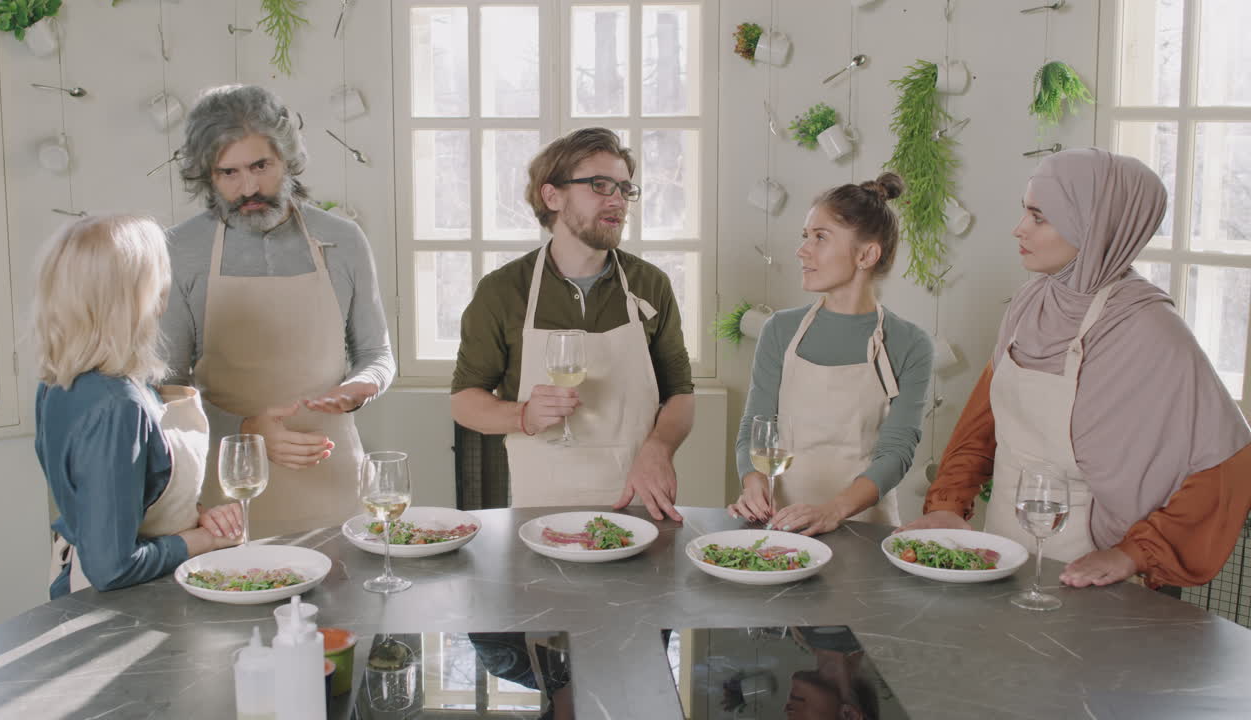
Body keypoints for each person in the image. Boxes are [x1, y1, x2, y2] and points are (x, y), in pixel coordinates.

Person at [903, 148, 1251, 588]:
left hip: (1088, 575)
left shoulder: (1149, 329)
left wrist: (1134, 552)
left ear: (1093, 226)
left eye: (1038, 217)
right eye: (1024, 213)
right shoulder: (1031, 303)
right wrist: (949, 502)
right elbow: (985, 418)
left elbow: (1229, 459)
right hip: (1001, 554)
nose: (1019, 229)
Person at [163, 85, 394, 538]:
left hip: (334, 476)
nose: (248, 187)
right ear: (206, 176)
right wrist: (248, 429)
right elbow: (168, 390)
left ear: (287, 159)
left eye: (260, 166)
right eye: (228, 172)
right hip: (228, 485)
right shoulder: (181, 250)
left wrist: (362, 386)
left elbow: (376, 352)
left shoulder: (343, 241)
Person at [450, 127, 695, 521]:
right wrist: (523, 416)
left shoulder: (651, 285)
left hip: (636, 499)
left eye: (624, 189)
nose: (617, 199)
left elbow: (681, 395)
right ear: (553, 196)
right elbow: (464, 401)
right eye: (600, 185)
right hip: (538, 506)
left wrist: (659, 450)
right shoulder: (502, 291)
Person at [36, 215, 244, 598]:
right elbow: (111, 568)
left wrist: (196, 515)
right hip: (127, 605)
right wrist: (204, 541)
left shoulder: (61, 381)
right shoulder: (118, 405)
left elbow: (132, 493)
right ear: (137, 294)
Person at [728, 174, 933, 534]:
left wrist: (833, 511)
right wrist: (753, 481)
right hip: (784, 528)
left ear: (866, 254)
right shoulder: (780, 330)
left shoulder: (909, 344)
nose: (802, 250)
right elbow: (755, 428)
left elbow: (896, 452)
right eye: (805, 236)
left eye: (820, 237)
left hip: (865, 531)